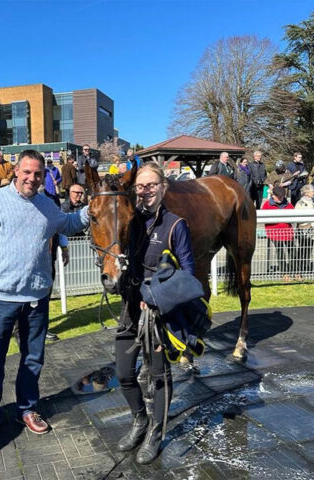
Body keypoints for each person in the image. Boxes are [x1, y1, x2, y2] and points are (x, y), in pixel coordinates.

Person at [0, 150, 89, 447]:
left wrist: (90, 210)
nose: (32, 178)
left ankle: (26, 409)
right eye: (28, 172)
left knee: (33, 359)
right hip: (0, 297)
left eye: (38, 174)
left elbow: (68, 225)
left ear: (44, 176)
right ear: (16, 171)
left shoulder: (47, 204)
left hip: (37, 297)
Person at [115, 163, 196, 464]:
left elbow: (189, 276)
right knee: (123, 373)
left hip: (158, 315)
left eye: (151, 185)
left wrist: (157, 298)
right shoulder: (130, 222)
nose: (145, 191)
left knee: (159, 378)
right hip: (129, 308)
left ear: (163, 187)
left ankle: (156, 434)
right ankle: (140, 421)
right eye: (140, 186)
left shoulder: (176, 226)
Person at [262, 185, 295, 282]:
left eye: (282, 197)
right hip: (275, 232)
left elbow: (293, 217)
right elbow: (265, 220)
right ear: (273, 196)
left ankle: (295, 271)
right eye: (279, 197)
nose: (281, 199)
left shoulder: (288, 205)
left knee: (293, 251)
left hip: (287, 232)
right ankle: (284, 272)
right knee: (280, 251)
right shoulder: (267, 205)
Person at [295, 184, 314, 276]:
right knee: (302, 249)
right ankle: (299, 269)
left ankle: (306, 267)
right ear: (307, 193)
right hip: (303, 230)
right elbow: (298, 218)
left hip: (312, 231)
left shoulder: (313, 202)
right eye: (313, 191)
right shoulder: (300, 203)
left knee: (309, 249)